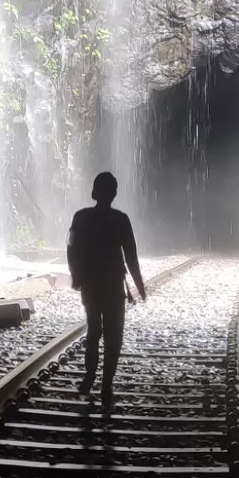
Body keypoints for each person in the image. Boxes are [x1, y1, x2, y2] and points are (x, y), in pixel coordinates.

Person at [66, 171, 146, 402]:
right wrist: (140, 286)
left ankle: (89, 377)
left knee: (93, 332)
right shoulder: (121, 220)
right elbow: (131, 256)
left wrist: (76, 275)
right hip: (113, 286)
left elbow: (71, 248)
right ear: (114, 194)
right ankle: (106, 387)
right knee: (114, 336)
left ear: (94, 191)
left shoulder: (80, 218)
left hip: (90, 284)